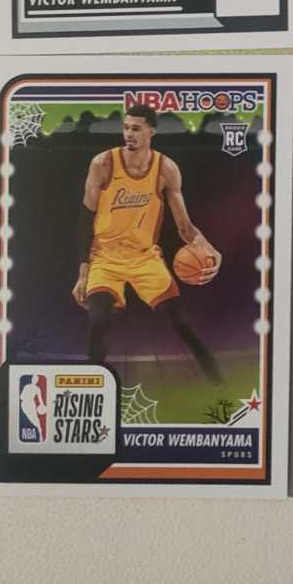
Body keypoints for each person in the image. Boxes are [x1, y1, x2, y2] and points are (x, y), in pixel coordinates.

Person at [71, 104, 224, 383]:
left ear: (151, 131)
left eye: (136, 129)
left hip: (145, 258)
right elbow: (85, 217)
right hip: (105, 257)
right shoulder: (103, 164)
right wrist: (83, 271)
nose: (128, 134)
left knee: (181, 322)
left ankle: (219, 385)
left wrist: (210, 249)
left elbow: (184, 227)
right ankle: (93, 386)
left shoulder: (166, 169)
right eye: (126, 127)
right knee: (98, 320)